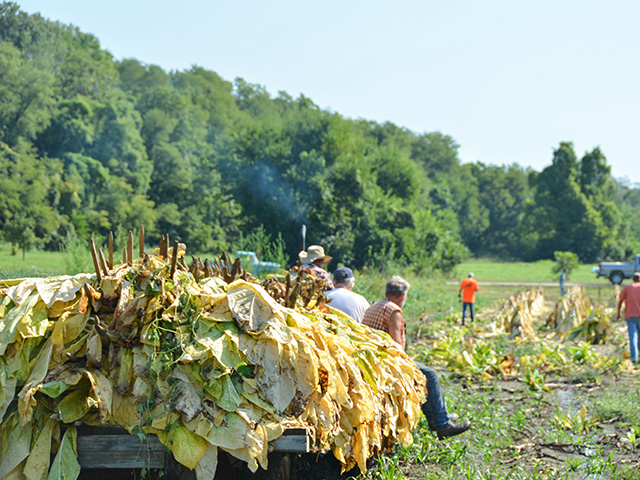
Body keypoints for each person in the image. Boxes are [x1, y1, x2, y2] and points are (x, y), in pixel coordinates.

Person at [362, 276, 471, 439]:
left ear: (386, 292)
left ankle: (437, 417)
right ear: (403, 295)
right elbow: (397, 346)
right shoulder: (394, 311)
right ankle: (442, 424)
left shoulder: (374, 306)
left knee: (423, 375)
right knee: (430, 375)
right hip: (385, 361)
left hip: (370, 358)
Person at [617, 272, 640, 364]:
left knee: (633, 337)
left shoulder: (627, 287)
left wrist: (618, 313)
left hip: (630, 315)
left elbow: (620, 301)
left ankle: (634, 358)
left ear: (632, 279)